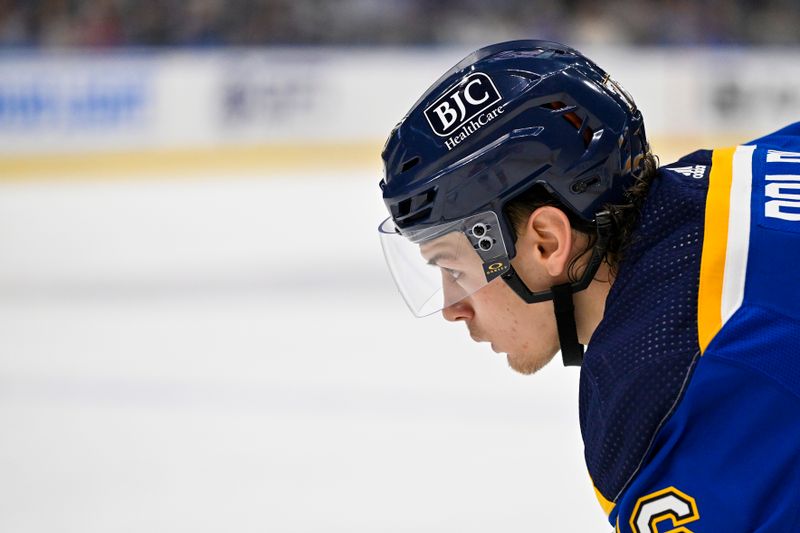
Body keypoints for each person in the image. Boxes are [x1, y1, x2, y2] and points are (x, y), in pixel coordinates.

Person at [377, 40, 800, 532]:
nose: (454, 308)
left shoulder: (665, 396)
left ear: (547, 242)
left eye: (454, 269)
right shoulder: (763, 160)